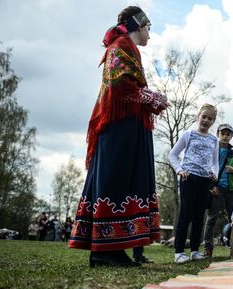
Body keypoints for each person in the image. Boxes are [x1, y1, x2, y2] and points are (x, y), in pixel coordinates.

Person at [69, 6, 168, 267]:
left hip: (126, 126)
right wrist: (153, 97)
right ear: (138, 26)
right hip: (119, 128)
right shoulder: (121, 44)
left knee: (123, 181)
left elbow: (125, 85)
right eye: (148, 28)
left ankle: (110, 249)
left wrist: (149, 98)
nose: (150, 33)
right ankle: (104, 250)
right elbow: (120, 85)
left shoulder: (125, 46)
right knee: (116, 180)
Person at [169, 104, 219, 264]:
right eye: (204, 116)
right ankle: (178, 252)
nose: (206, 120)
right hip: (189, 178)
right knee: (186, 214)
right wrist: (179, 170)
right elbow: (173, 155)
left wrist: (214, 173)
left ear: (213, 121)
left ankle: (195, 251)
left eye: (210, 118)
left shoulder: (214, 140)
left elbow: (215, 162)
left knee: (199, 216)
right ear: (198, 116)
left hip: (205, 181)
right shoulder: (188, 134)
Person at [201, 123, 233, 258]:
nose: (225, 136)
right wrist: (210, 187)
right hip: (216, 188)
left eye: (228, 134)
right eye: (222, 133)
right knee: (212, 218)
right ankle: (208, 248)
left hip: (231, 189)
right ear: (218, 134)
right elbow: (206, 169)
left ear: (231, 136)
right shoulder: (212, 150)